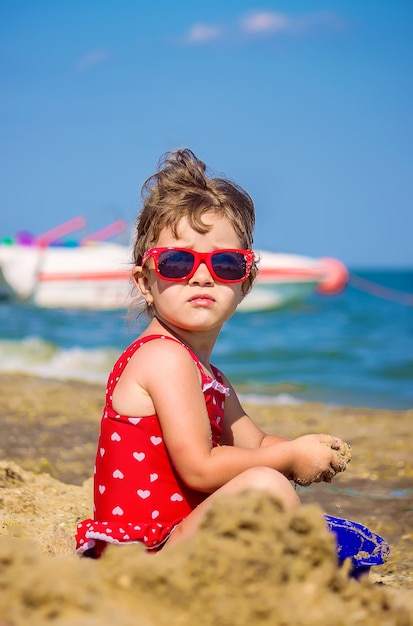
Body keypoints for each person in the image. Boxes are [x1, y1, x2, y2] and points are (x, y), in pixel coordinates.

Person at [76, 148, 351, 558]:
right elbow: (199, 469)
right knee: (265, 486)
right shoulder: (163, 358)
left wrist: (306, 449)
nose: (202, 275)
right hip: (139, 555)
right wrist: (289, 458)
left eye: (225, 263)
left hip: (173, 540)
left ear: (246, 283)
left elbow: (256, 443)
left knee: (267, 478)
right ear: (145, 283)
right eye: (175, 262)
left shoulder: (211, 378)